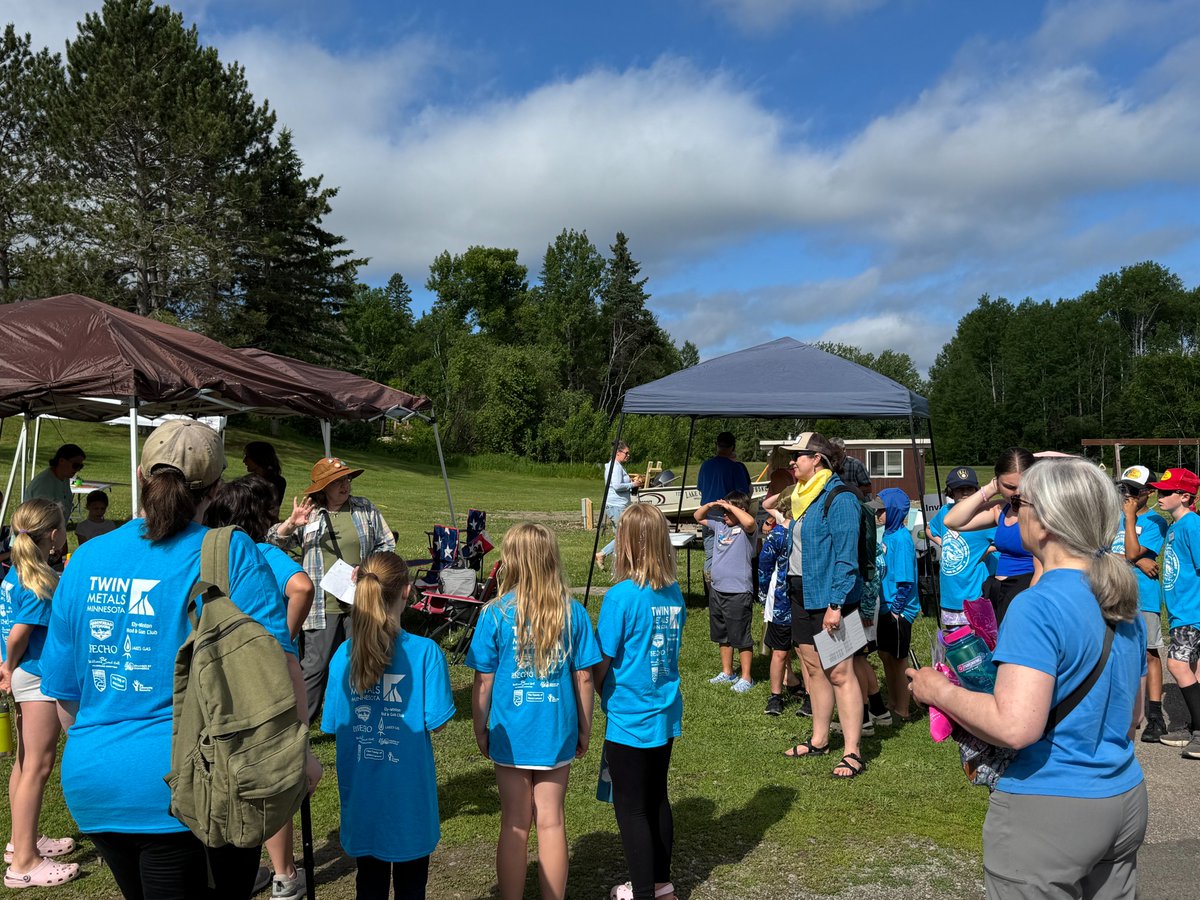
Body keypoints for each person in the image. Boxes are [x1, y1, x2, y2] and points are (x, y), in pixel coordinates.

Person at [39, 419, 319, 898]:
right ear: (214, 489)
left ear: (142, 474)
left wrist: (112, 754)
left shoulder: (85, 558)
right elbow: (280, 666)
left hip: (95, 784)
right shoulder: (231, 551)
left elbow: (64, 693)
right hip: (198, 786)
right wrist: (300, 754)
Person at [909, 457, 1148, 899]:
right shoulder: (1120, 597)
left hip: (1049, 811)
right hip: (1122, 797)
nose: (1014, 512)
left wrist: (936, 690)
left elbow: (1014, 726)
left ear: (1047, 523)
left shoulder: (1036, 606)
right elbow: (1133, 717)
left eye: (1020, 503)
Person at [466, 523, 601, 900]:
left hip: (510, 732)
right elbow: (585, 679)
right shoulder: (572, 612)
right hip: (556, 731)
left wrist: (480, 729)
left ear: (512, 561)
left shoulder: (494, 614)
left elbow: (483, 682)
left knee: (514, 823)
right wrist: (585, 730)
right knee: (552, 822)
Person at [205, 475, 317, 900]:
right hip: (263, 678)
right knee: (272, 771)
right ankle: (284, 873)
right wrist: (282, 638)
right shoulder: (261, 552)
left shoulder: (208, 553)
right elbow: (302, 586)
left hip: (218, 676)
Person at [322, 552, 453, 900]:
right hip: (409, 803)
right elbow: (437, 723)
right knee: (412, 888)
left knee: (369, 884)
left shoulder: (343, 656)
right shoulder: (426, 653)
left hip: (363, 799)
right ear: (407, 591)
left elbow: (334, 723)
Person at [595, 504, 685, 900]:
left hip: (630, 713)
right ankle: (661, 883)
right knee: (656, 797)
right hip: (664, 708)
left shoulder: (620, 598)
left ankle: (644, 891)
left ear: (627, 544)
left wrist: (600, 691)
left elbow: (602, 660)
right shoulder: (673, 592)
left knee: (630, 807)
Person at [268, 457, 395, 722]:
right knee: (316, 666)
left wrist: (369, 567)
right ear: (321, 488)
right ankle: (300, 723)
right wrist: (291, 523)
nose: (344, 485)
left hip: (361, 601)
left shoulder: (365, 508)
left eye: (346, 479)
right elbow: (272, 544)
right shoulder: (310, 512)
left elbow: (387, 545)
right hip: (320, 604)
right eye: (336, 482)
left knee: (360, 661)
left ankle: (356, 719)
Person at [0, 500, 78, 888]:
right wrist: (9, 665)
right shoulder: (38, 580)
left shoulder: (15, 574)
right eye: (64, 526)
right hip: (36, 680)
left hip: (24, 678)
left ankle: (20, 842)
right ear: (52, 535)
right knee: (38, 766)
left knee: (25, 762)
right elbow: (19, 632)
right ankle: (25, 865)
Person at [780, 433, 866, 778]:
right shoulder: (802, 497)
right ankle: (819, 739)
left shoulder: (840, 498)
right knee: (812, 668)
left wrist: (836, 605)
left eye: (797, 456)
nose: (791, 462)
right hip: (801, 592)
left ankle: (852, 750)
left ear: (817, 459)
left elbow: (848, 559)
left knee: (841, 673)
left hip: (832, 598)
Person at [942, 447, 1040, 625]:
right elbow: (952, 521)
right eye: (1009, 486)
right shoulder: (1001, 509)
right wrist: (988, 489)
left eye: (1023, 486)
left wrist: (1028, 607)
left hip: (1024, 592)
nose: (1017, 493)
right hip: (998, 591)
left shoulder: (1040, 513)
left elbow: (1042, 568)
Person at [1110, 466, 1169, 744]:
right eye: (1123, 489)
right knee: (1114, 650)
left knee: (1149, 653)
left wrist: (1130, 518)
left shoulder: (1157, 522)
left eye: (1133, 491)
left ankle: (1155, 715)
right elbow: (1100, 551)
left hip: (1143, 595)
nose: (1126, 495)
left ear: (1148, 492)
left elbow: (1130, 551)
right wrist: (1135, 559)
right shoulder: (1111, 517)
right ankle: (1120, 708)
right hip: (1113, 592)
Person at [1146, 467, 1200, 755]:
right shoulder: (1176, 527)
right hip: (1182, 612)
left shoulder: (1192, 525)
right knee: (1194, 669)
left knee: (1177, 665)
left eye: (1166, 492)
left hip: (1192, 611)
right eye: (1158, 490)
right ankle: (1194, 726)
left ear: (1185, 496)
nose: (1159, 495)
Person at [694, 492, 756, 693]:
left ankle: (747, 677)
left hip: (738, 591)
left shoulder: (746, 530)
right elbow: (698, 516)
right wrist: (712, 504)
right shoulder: (720, 525)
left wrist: (732, 508)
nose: (724, 516)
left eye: (727, 512)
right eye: (723, 512)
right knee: (723, 634)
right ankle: (727, 671)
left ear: (740, 510)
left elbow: (749, 522)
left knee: (741, 635)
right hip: (718, 589)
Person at [927, 467, 996, 631]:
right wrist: (943, 542)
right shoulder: (945, 512)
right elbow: (930, 529)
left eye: (969, 488)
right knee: (955, 645)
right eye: (959, 489)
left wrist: (986, 551)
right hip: (949, 594)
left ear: (976, 490)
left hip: (974, 594)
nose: (964, 493)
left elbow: (1005, 540)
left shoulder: (985, 515)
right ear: (951, 491)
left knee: (978, 643)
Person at [757, 495, 805, 716]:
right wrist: (765, 593)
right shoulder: (777, 534)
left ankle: (810, 697)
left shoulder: (805, 532)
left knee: (805, 652)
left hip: (803, 598)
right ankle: (775, 696)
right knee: (780, 652)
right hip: (781, 601)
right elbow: (765, 566)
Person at [876, 488, 918, 721]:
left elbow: (905, 581)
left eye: (882, 510)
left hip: (898, 610)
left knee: (898, 659)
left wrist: (896, 610)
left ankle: (903, 707)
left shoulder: (901, 539)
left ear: (894, 511)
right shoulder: (887, 535)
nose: (879, 514)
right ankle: (892, 701)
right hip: (885, 606)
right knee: (885, 655)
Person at [696, 432, 751, 581]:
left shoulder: (705, 465)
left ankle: (709, 589)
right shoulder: (735, 468)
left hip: (707, 514)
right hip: (728, 516)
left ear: (717, 445)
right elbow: (743, 493)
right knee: (729, 553)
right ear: (732, 447)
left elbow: (700, 487)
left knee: (710, 554)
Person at [596, 442, 636, 570]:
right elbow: (617, 486)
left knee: (621, 536)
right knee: (624, 536)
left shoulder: (618, 466)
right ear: (618, 453)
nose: (628, 455)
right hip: (616, 506)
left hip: (618, 505)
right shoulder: (615, 467)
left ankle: (619, 564)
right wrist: (633, 485)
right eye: (626, 453)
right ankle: (602, 554)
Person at [26, 444, 85, 524]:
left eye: (80, 466)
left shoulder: (65, 478)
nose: (78, 469)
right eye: (75, 465)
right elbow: (41, 519)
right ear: (61, 461)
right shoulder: (43, 484)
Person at [244, 441, 287, 517]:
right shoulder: (246, 481)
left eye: (247, 457)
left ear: (257, 458)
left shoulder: (278, 483)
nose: (244, 461)